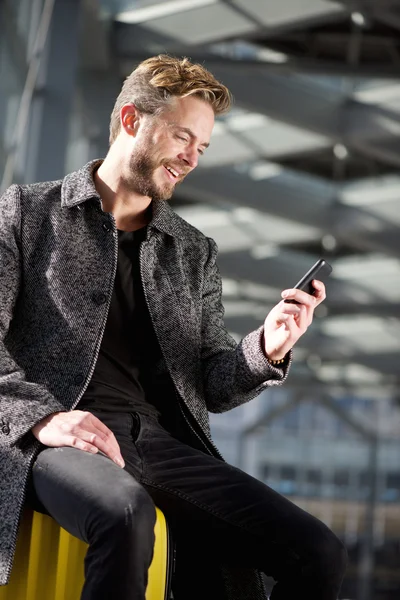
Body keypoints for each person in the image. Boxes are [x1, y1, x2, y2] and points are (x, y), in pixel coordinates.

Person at [0, 55, 347, 600]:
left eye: (202, 148)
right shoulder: (24, 214)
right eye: (182, 137)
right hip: (59, 435)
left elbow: (211, 380)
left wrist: (267, 347)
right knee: (125, 515)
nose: (190, 158)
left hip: (160, 444)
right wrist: (42, 418)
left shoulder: (192, 251)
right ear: (133, 120)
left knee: (318, 551)